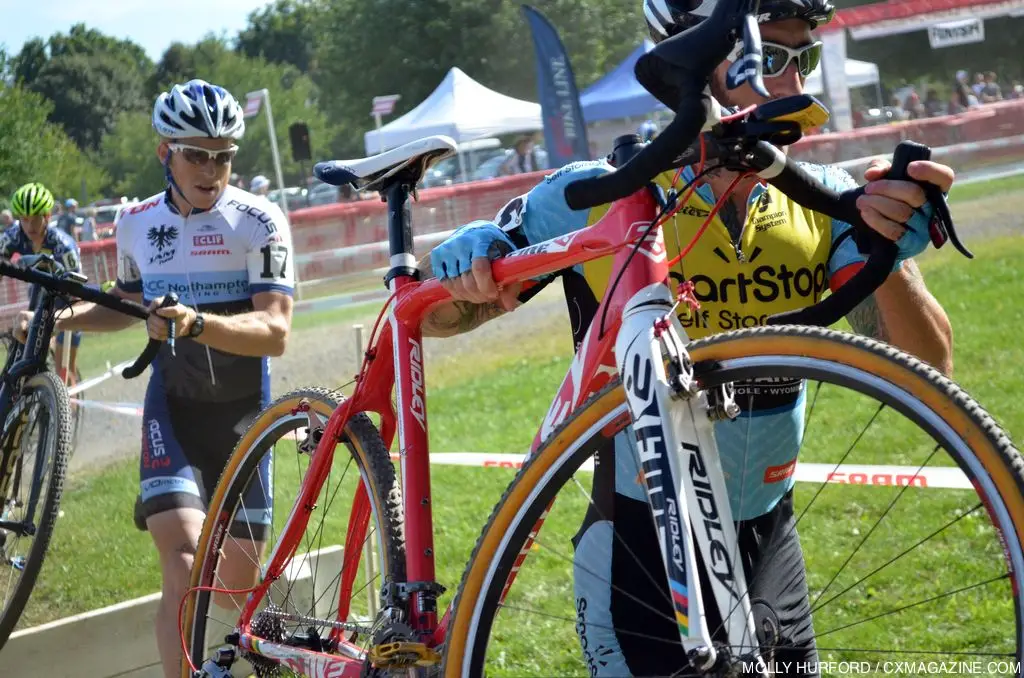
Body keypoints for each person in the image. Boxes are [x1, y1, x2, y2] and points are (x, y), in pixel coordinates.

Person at [422, 1, 954, 675]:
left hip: (767, 540)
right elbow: (446, 319)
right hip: (639, 546)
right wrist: (462, 270)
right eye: (772, 59)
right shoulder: (600, 191)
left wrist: (891, 256)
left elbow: (930, 366)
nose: (792, 85)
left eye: (805, 59)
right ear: (690, 62)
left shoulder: (819, 198)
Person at [34, 79, 295, 678]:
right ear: (164, 154)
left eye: (223, 154)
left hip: (242, 412)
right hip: (171, 409)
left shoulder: (258, 221)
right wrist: (51, 320)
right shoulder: (135, 224)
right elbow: (123, 305)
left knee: (233, 583)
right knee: (181, 564)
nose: (212, 168)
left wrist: (197, 322)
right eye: (196, 153)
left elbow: (276, 329)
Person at [6, 182, 84, 384]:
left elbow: (78, 292)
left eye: (36, 219)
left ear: (47, 217)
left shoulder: (63, 245)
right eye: (24, 219)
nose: (30, 226)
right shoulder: (14, 235)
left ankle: (68, 410)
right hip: (39, 301)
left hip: (68, 305)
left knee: (62, 371)